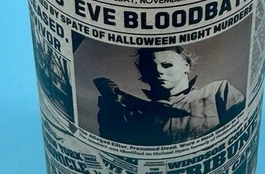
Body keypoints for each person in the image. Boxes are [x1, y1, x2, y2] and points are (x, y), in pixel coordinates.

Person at [96, 47, 245, 145]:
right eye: (150, 67)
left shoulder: (217, 92)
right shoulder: (136, 115)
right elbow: (115, 144)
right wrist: (110, 103)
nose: (158, 71)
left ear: (186, 66)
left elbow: (242, 130)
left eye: (167, 65)